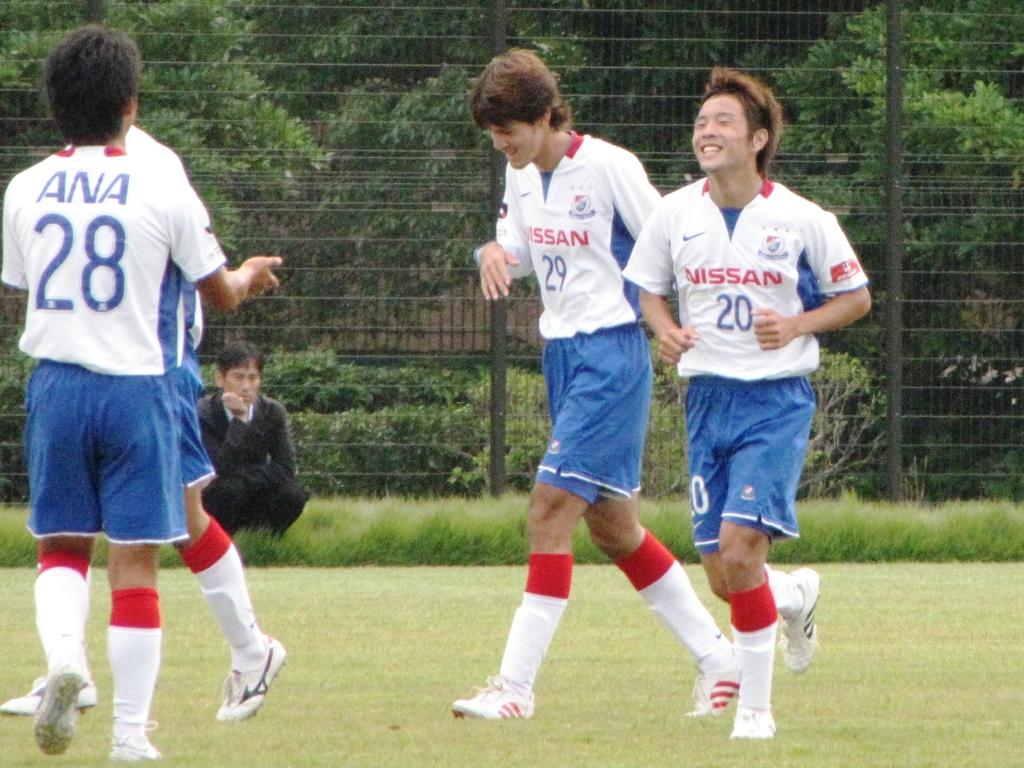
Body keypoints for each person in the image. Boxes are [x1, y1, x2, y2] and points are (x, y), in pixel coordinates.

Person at [1, 25, 281, 760]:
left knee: (62, 546)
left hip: (58, 384)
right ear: (130, 103)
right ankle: (130, 735)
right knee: (137, 557)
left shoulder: (24, 187)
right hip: (142, 386)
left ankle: (68, 659)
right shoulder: (161, 181)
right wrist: (249, 277)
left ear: (53, 105)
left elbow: (19, 287)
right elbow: (218, 293)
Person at [450, 49, 738, 722]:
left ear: (544, 116)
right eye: (492, 133)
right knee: (614, 529)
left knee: (548, 509)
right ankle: (720, 658)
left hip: (612, 357)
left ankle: (514, 688)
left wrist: (673, 324)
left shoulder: (609, 167)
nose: (500, 144)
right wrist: (492, 252)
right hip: (563, 357)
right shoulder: (520, 172)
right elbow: (519, 252)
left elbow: (672, 243)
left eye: (507, 131)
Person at [622, 66, 871, 739]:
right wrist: (665, 330)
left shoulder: (802, 218)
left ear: (758, 139)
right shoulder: (675, 213)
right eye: (702, 122)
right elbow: (648, 290)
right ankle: (793, 593)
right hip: (706, 400)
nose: (707, 131)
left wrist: (795, 325)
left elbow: (855, 298)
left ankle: (756, 713)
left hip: (775, 401)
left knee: (739, 553)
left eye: (723, 122)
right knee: (724, 575)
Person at [198, 343, 309, 536]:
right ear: (220, 379)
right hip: (217, 495)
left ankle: (262, 541)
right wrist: (240, 420)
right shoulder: (203, 413)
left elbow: (285, 468)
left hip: (254, 488)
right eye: (238, 377)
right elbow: (217, 467)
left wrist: (243, 478)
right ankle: (220, 542)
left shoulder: (272, 411)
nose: (246, 387)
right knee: (229, 491)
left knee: (293, 494)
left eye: (252, 378)